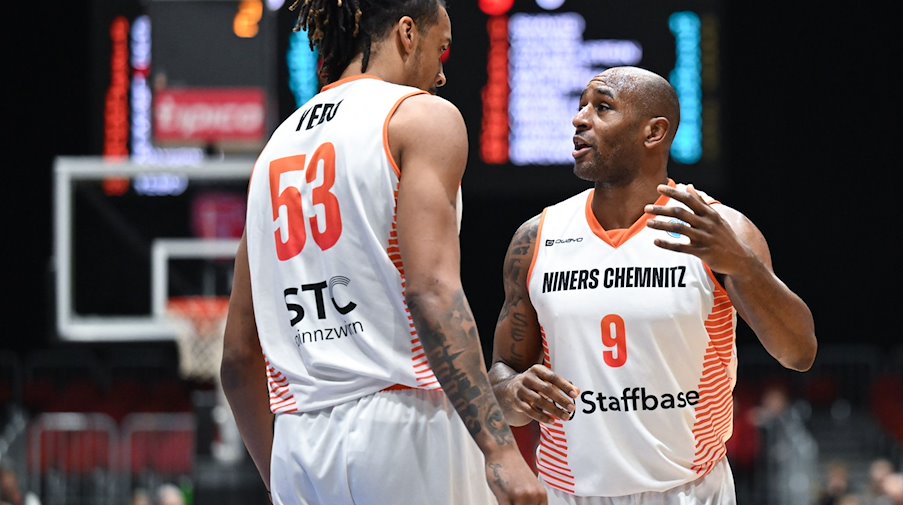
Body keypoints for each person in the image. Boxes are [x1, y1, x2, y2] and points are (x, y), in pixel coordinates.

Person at [219, 1, 546, 504]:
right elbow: (432, 290)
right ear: (407, 33)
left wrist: (279, 477)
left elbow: (239, 357)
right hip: (404, 422)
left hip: (298, 438)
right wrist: (500, 451)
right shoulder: (419, 118)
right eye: (442, 49)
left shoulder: (274, 149)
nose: (440, 74)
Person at [488, 66, 818, 505]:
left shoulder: (719, 229)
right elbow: (502, 381)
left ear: (654, 132)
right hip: (568, 492)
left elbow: (799, 353)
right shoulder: (537, 237)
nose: (579, 119)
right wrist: (512, 391)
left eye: (602, 107)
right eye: (581, 106)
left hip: (690, 490)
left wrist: (742, 264)